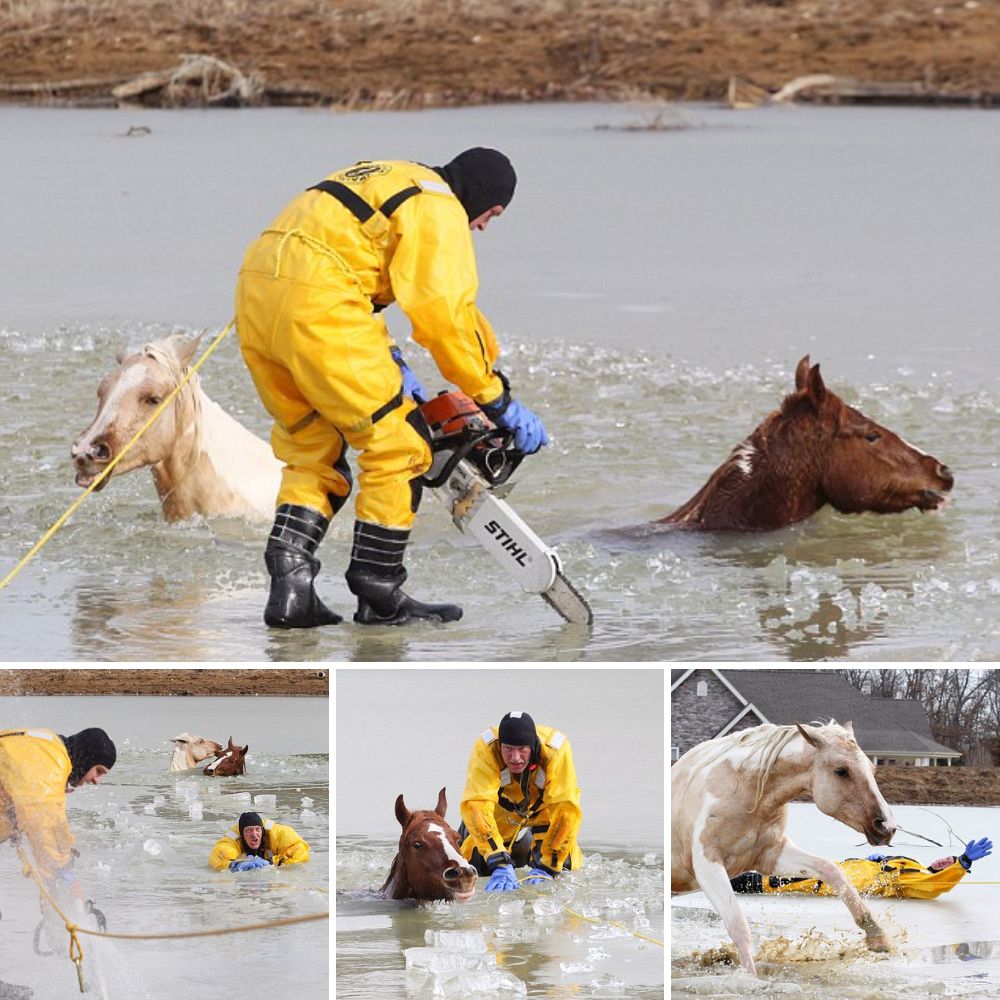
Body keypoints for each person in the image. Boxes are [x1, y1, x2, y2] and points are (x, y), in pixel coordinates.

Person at [235, 147, 549, 629]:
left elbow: (340, 266)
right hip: (323, 308)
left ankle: (291, 588)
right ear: (481, 196)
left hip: (257, 299)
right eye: (492, 214)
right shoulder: (439, 205)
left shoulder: (385, 175)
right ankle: (379, 594)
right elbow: (445, 316)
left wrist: (392, 361)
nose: (484, 226)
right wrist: (495, 397)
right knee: (399, 447)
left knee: (311, 450)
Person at [0, 727, 116, 1000]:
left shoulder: (45, 748)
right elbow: (46, 827)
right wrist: (64, 874)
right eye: (98, 771)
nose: (97, 781)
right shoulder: (51, 763)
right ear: (86, 758)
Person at [458, 711, 582, 892]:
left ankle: (535, 853)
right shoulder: (486, 748)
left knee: (564, 866)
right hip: (502, 811)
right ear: (500, 746)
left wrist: (549, 866)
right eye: (508, 749)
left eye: (522, 749)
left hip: (543, 811)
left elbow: (566, 810)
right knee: (474, 865)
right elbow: (478, 804)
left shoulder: (556, 750)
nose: (515, 758)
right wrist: (498, 862)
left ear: (532, 746)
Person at [730, 836, 992, 900]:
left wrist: (963, 863)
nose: (945, 861)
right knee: (774, 872)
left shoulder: (919, 878)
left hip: (827, 884)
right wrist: (876, 861)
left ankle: (725, 884)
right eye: (947, 858)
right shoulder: (912, 865)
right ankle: (726, 879)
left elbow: (936, 887)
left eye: (949, 863)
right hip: (834, 869)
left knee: (768, 882)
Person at [208, 810, 310, 871]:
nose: (254, 834)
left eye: (257, 829)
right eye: (248, 831)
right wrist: (234, 865)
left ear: (262, 830)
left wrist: (272, 862)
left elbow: (300, 850)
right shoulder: (234, 837)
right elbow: (218, 855)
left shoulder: (277, 833)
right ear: (241, 834)